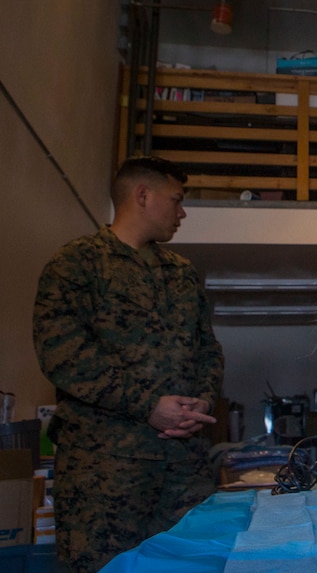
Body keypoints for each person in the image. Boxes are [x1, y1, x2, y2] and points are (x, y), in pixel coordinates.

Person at [33, 155, 224, 572]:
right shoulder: (77, 264)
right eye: (176, 200)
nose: (182, 212)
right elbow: (62, 355)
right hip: (105, 471)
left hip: (182, 468)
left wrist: (204, 402)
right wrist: (147, 406)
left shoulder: (182, 274)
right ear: (142, 195)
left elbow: (208, 350)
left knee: (193, 563)